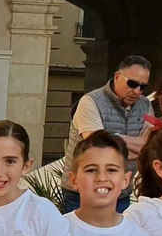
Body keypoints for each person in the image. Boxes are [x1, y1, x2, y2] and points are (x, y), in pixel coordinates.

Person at [61, 55, 154, 213]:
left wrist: (115, 138)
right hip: (82, 192)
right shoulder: (90, 101)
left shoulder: (145, 105)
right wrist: (135, 146)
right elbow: (98, 147)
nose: (137, 91)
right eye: (132, 84)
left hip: (121, 192)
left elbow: (149, 147)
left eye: (143, 86)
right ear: (117, 76)